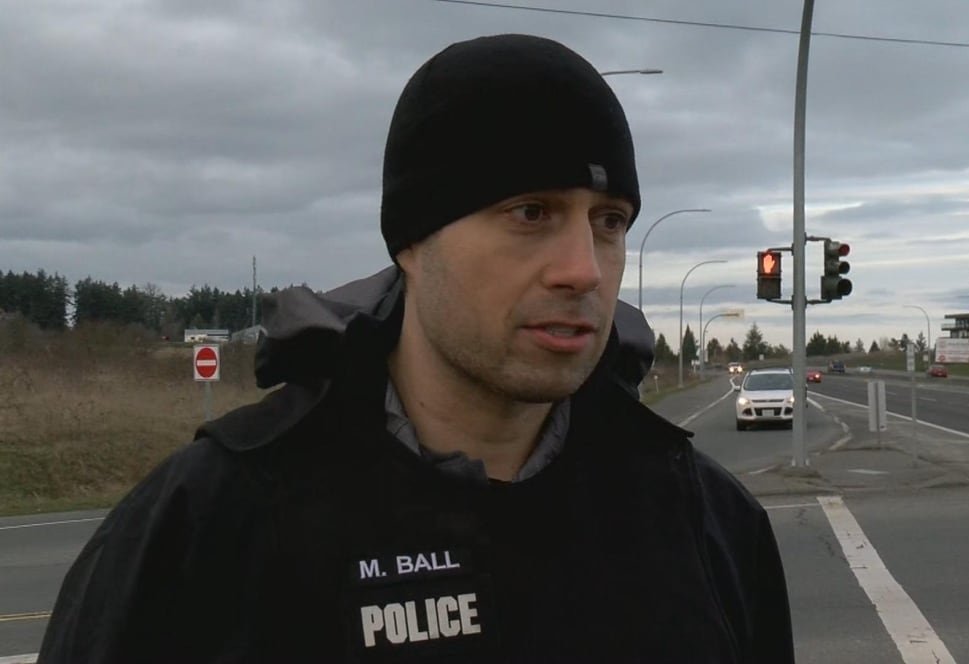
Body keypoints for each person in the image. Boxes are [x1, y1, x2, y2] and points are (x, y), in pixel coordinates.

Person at [39, 33, 794, 663]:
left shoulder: (701, 519)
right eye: (531, 212)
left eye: (609, 221)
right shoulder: (211, 522)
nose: (584, 270)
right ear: (411, 239)